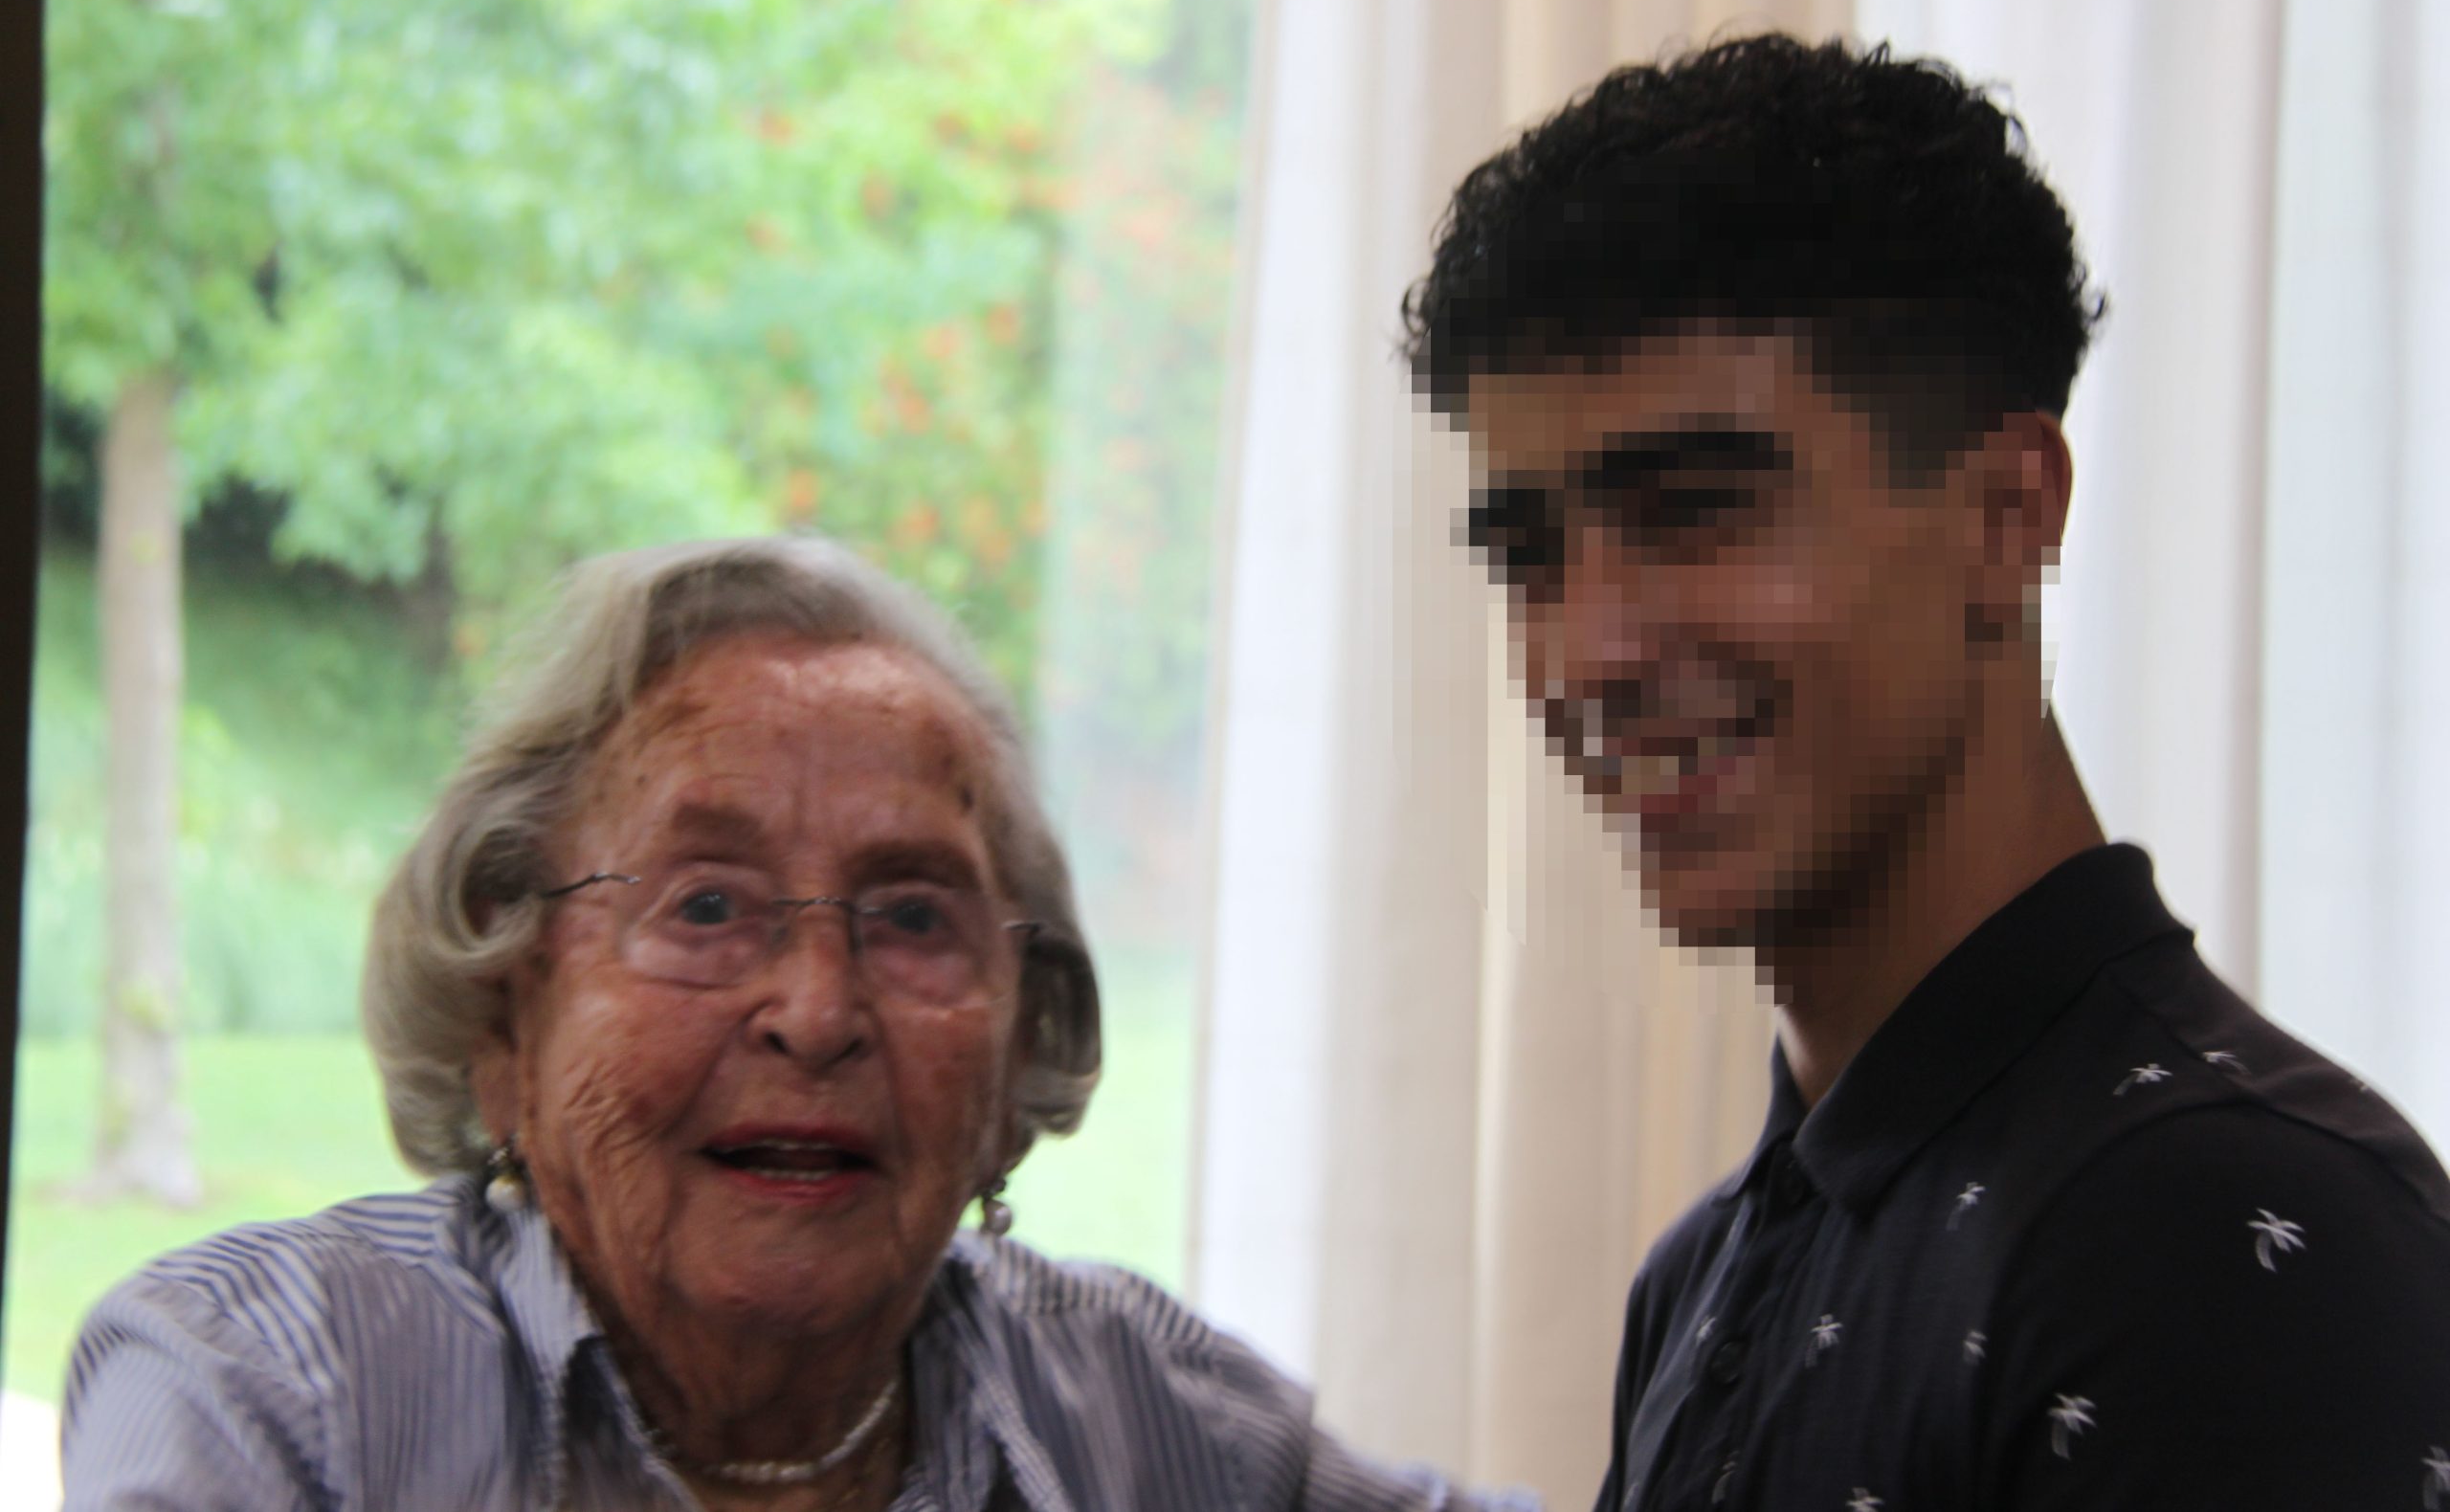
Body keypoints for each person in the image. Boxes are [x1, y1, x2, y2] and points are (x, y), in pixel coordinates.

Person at [1400, 34, 2450, 1509]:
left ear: (2008, 515)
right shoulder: (1703, 1274)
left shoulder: (2227, 1227)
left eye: (1696, 512)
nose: (1589, 652)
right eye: (1531, 557)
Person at [62, 537, 1536, 1512]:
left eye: (913, 916)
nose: (818, 1013)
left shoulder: (1149, 1421)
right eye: (707, 906)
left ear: (1016, 1060)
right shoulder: (278, 1387)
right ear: (507, 1016)